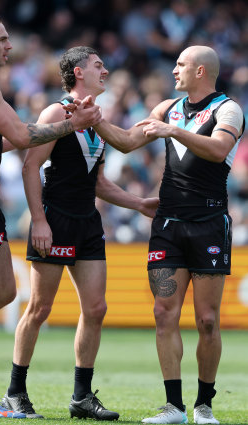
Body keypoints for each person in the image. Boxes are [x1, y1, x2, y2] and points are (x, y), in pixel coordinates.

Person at [78, 45, 244, 424]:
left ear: (201, 71)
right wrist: (94, 119)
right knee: (163, 313)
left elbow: (219, 150)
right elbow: (127, 141)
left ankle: (204, 405)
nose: (173, 70)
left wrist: (173, 132)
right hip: (167, 224)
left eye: (181, 64)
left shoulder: (228, 109)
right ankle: (175, 407)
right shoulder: (167, 108)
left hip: (209, 224)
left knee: (207, 320)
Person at [1, 45, 159, 420]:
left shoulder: (97, 118)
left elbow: (98, 181)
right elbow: (30, 167)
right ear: (78, 73)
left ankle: (81, 397)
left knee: (96, 308)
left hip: (87, 221)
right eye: (98, 65)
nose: (105, 70)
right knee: (39, 309)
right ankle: (14, 392)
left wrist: (138, 204)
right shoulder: (58, 111)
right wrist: (38, 220)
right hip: (54, 220)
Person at [0, 10, 101, 419]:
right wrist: (69, 125)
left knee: (4, 293)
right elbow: (22, 138)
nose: (11, 45)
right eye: (2, 39)